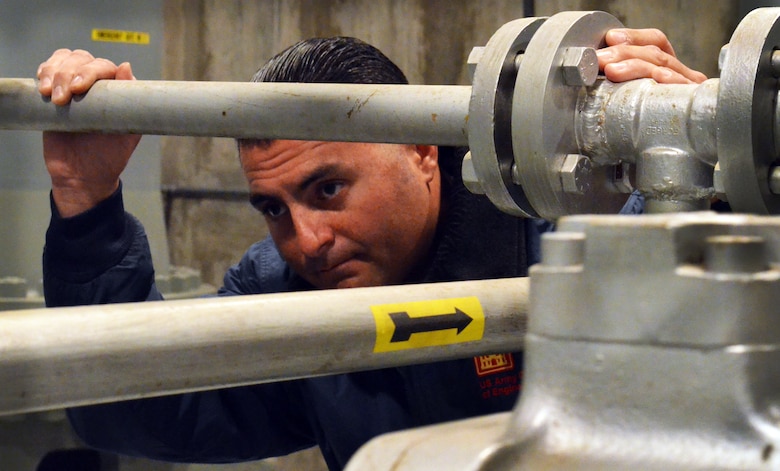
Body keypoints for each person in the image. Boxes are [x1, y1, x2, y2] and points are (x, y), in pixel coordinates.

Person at [37, 30, 706, 471]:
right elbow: (137, 408)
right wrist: (86, 199)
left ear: (421, 151)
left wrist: (712, 165)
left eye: (328, 188)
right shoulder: (286, 284)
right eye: (273, 207)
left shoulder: (573, 239)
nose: (305, 239)